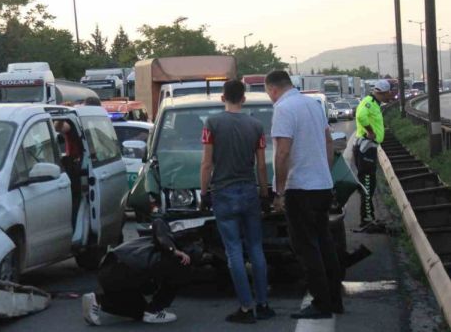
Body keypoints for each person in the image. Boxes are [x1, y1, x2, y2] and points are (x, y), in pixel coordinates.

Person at [265, 70, 342, 319]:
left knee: (305, 247)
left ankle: (320, 303)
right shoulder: (312, 105)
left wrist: (279, 192)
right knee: (325, 242)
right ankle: (334, 299)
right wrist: (324, 172)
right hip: (321, 185)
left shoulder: (283, 109)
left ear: (273, 89)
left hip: (300, 188)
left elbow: (283, 153)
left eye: (268, 93)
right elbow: (328, 142)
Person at [199, 79, 275, 324]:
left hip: (223, 192)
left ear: (223, 98)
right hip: (249, 191)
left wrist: (204, 192)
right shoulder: (256, 125)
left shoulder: (212, 123)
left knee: (233, 251)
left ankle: (245, 307)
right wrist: (264, 192)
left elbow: (207, 163)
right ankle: (263, 303)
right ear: (244, 98)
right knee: (256, 248)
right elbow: (261, 165)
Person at [82, 219, 194, 326]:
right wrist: (173, 250)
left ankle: (97, 300)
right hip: (123, 267)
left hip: (112, 271)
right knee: (180, 265)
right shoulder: (165, 250)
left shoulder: (153, 252)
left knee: (139, 311)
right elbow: (159, 224)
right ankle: (155, 311)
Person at [354, 79, 392, 230]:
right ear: (382, 93)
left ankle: (369, 217)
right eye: (389, 92)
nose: (390, 95)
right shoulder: (369, 102)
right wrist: (370, 131)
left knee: (370, 183)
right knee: (368, 185)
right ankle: (367, 220)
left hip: (369, 148)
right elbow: (361, 116)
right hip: (366, 148)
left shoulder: (375, 104)